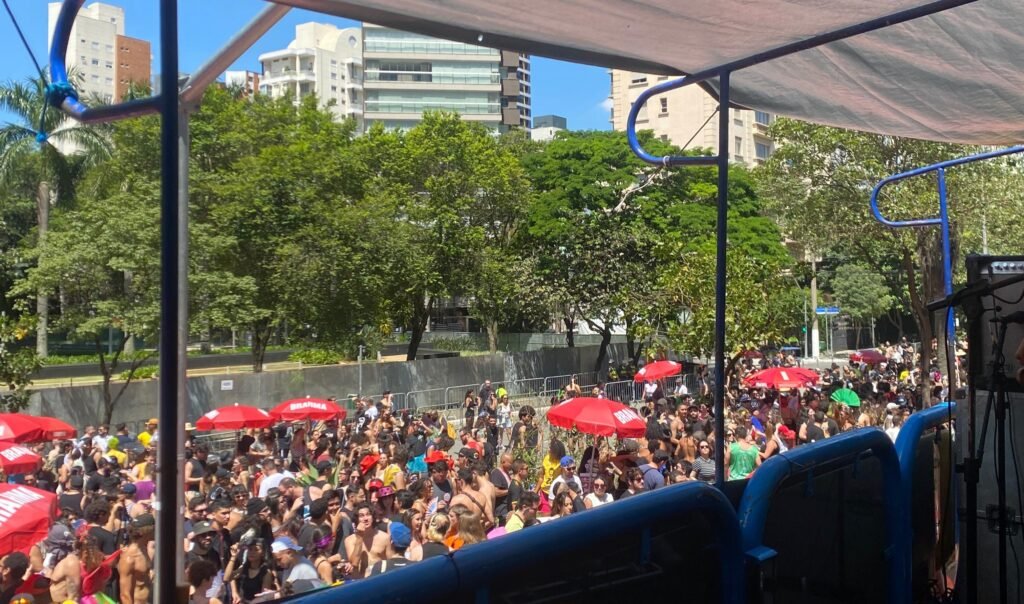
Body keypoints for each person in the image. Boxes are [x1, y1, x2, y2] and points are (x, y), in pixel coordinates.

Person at [343, 504, 388, 578]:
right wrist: (360, 537)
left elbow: (391, 561)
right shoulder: (349, 540)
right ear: (357, 519)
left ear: (373, 517)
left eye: (368, 514)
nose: (365, 518)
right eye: (361, 516)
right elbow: (354, 563)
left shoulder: (384, 537)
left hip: (380, 579)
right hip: (361, 582)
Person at [118, 513, 155, 604]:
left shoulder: (144, 549)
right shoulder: (129, 558)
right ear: (146, 531)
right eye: (154, 528)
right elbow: (125, 594)